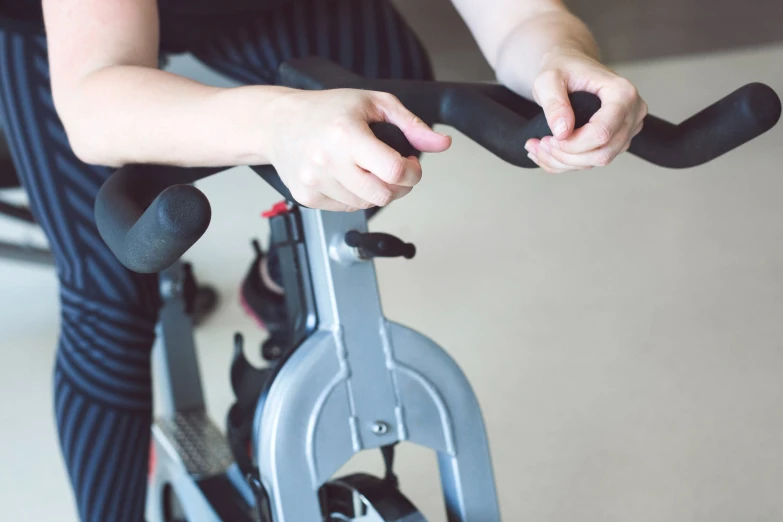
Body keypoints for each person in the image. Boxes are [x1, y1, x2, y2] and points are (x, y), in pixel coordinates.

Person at [0, 0, 647, 520]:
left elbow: (519, 15)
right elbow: (96, 100)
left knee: (383, 112)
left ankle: (278, 282)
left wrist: (558, 55)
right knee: (110, 295)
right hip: (76, 42)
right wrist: (278, 121)